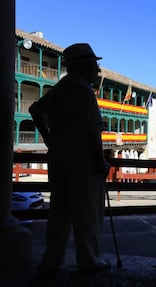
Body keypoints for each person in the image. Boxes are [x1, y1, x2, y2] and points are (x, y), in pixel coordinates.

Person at [29, 43, 111, 277]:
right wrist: (100, 162)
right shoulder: (83, 91)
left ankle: (51, 261)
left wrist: (49, 140)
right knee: (88, 214)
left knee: (59, 213)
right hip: (83, 162)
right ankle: (89, 260)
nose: (97, 69)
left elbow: (35, 110)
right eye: (95, 64)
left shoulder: (61, 88)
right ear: (84, 65)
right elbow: (91, 133)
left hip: (59, 159)